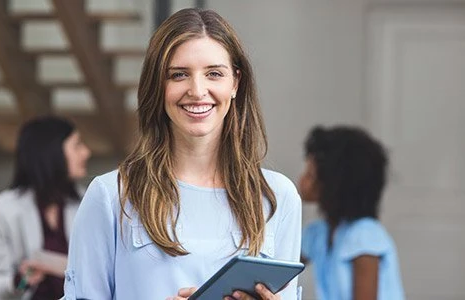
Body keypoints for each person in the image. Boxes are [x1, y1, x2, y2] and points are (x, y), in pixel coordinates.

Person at [63, 7, 302, 300]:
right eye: (178, 75)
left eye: (214, 73)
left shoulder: (278, 197)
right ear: (158, 85)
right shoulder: (111, 196)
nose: (197, 90)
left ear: (235, 83)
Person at [0, 116, 91, 300]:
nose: (86, 152)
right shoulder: (5, 208)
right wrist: (21, 280)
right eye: (77, 145)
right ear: (51, 153)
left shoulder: (88, 202)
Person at [298, 125, 405, 300]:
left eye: (310, 174)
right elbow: (277, 267)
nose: (301, 180)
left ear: (333, 183)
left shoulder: (364, 235)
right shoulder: (318, 233)